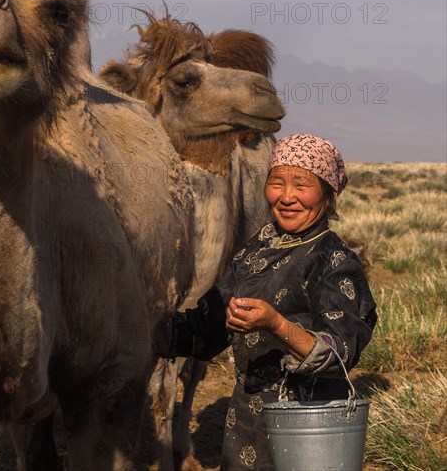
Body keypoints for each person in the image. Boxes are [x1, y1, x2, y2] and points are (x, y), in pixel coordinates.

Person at [154, 133, 377, 470]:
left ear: (329, 194)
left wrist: (276, 324)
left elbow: (340, 353)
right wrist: (146, 331)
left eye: (301, 185)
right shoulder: (257, 248)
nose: (286, 197)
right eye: (277, 182)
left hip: (306, 423)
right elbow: (210, 326)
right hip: (246, 421)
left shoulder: (333, 262)